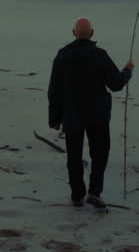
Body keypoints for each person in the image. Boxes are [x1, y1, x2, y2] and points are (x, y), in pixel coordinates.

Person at [47, 17, 133, 208]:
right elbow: (116, 84)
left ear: (73, 33)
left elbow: (54, 90)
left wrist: (54, 118)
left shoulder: (63, 55)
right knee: (100, 153)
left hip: (72, 114)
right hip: (97, 114)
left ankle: (78, 195)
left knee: (74, 156)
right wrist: (127, 71)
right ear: (92, 34)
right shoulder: (99, 55)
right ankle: (94, 191)